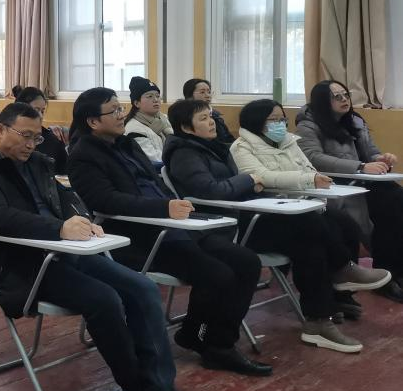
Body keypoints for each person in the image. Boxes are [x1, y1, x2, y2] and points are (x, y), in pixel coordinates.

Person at [0, 102, 219, 391]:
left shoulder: (37, 162)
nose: (31, 144)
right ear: (0, 129)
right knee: (104, 299)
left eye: (36, 138)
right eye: (25, 136)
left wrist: (81, 219)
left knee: (142, 288)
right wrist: (59, 229)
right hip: (25, 263)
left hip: (67, 252)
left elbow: (65, 198)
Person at [66, 89, 270, 374]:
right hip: (139, 236)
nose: (121, 115)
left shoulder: (127, 144)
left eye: (120, 108)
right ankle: (214, 345)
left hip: (174, 227)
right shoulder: (82, 156)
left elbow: (155, 183)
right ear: (92, 121)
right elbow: (105, 201)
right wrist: (164, 208)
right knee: (218, 274)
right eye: (113, 111)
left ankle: (203, 335)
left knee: (247, 262)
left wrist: (175, 206)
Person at [163, 97, 388, 353]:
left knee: (313, 240)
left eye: (211, 115)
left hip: (248, 213)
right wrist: (249, 180)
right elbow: (212, 190)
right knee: (310, 222)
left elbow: (241, 184)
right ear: (186, 127)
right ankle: (341, 270)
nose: (212, 121)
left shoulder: (214, 148)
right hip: (230, 227)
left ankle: (319, 321)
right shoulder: (185, 154)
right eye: (203, 118)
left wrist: (250, 183)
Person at [231, 98, 370, 320]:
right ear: (256, 121)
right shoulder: (241, 147)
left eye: (282, 119)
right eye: (273, 120)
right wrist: (307, 180)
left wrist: (315, 178)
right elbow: (261, 177)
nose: (280, 124)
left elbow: (308, 168)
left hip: (298, 207)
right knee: (315, 237)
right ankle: (340, 274)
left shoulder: (289, 142)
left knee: (345, 223)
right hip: (265, 217)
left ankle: (342, 291)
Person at [296, 79, 403, 302]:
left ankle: (392, 271)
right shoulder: (308, 125)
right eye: (337, 97)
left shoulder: (355, 121)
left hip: (362, 180)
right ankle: (374, 279)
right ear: (322, 101)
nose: (344, 99)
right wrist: (360, 166)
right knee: (382, 207)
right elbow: (313, 158)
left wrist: (381, 158)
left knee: (396, 201)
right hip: (335, 183)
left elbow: (370, 151)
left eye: (346, 95)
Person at [14, 87, 68, 175]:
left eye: (42, 111)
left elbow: (64, 173)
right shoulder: (10, 137)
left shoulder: (52, 140)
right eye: (36, 110)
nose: (40, 116)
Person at [124, 76, 173, 164]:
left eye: (158, 96)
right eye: (150, 96)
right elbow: (155, 159)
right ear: (137, 103)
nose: (156, 100)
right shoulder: (134, 129)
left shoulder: (164, 118)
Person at [182, 78, 234, 144]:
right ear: (189, 96)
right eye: (202, 92)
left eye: (209, 92)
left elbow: (228, 138)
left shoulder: (215, 115)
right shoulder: (184, 116)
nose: (208, 96)